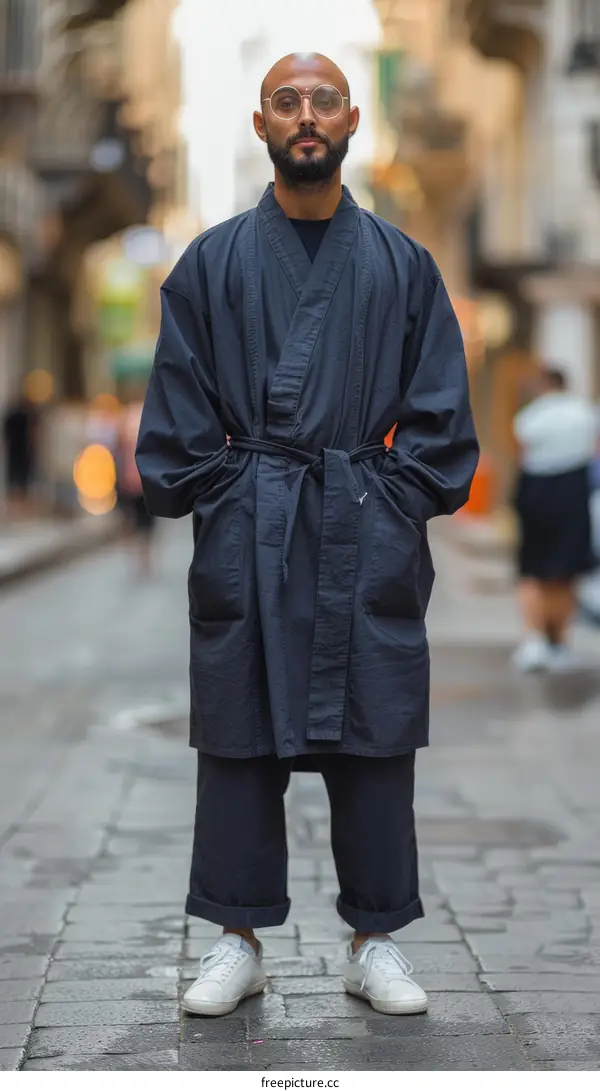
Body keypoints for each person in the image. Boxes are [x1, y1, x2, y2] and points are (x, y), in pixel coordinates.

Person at [136, 53, 478, 1018]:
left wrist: (385, 500)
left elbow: (445, 426)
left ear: (353, 119)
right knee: (239, 736)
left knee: (375, 737)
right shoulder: (210, 263)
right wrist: (237, 497)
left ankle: (377, 940)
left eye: (323, 99)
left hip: (362, 527)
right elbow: (176, 421)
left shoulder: (406, 266)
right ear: (260, 125)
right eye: (286, 101)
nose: (306, 115)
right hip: (254, 530)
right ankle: (234, 936)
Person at [512, 366, 598, 672]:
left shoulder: (533, 414)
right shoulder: (585, 413)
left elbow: (521, 448)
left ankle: (534, 638)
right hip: (573, 491)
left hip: (537, 490)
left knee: (532, 569)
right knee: (568, 571)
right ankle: (560, 641)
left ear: (546, 385)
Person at [116, 394, 156, 575]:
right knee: (143, 519)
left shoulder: (127, 422)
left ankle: (140, 552)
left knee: (137, 518)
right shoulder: (148, 420)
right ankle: (143, 554)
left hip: (137, 480)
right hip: (141, 480)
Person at [2, 394, 39, 517]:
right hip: (17, 449)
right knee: (17, 475)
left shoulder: (27, 415)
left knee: (21, 475)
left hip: (20, 449)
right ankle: (17, 500)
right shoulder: (22, 416)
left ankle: (20, 500)